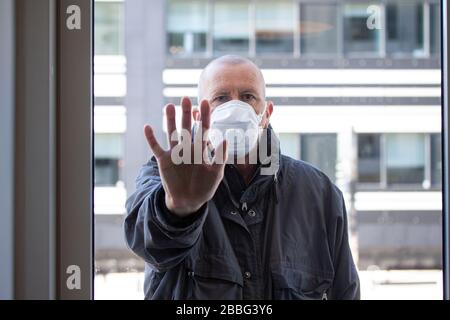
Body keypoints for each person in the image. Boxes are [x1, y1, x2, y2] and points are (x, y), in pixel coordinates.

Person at [124, 55, 360, 300]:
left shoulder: (318, 194)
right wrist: (176, 210)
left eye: (248, 97)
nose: (236, 108)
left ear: (266, 113)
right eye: (221, 98)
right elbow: (144, 241)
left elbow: (345, 292)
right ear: (199, 115)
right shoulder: (168, 177)